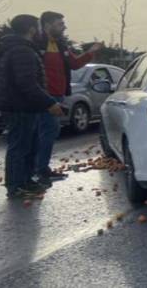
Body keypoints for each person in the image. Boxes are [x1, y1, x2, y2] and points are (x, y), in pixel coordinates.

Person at [0, 14, 63, 198]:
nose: (40, 31)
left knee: (28, 145)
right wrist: (49, 103)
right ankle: (16, 186)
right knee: (20, 147)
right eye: (38, 27)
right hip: (19, 106)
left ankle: (26, 180)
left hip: (21, 104)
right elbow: (27, 83)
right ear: (31, 29)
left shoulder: (15, 48)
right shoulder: (22, 50)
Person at [33, 11, 103, 186]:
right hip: (43, 95)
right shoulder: (36, 44)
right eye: (59, 24)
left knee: (49, 131)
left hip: (58, 94)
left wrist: (90, 52)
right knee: (46, 131)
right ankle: (39, 170)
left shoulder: (61, 44)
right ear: (47, 25)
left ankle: (39, 169)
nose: (64, 27)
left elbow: (74, 64)